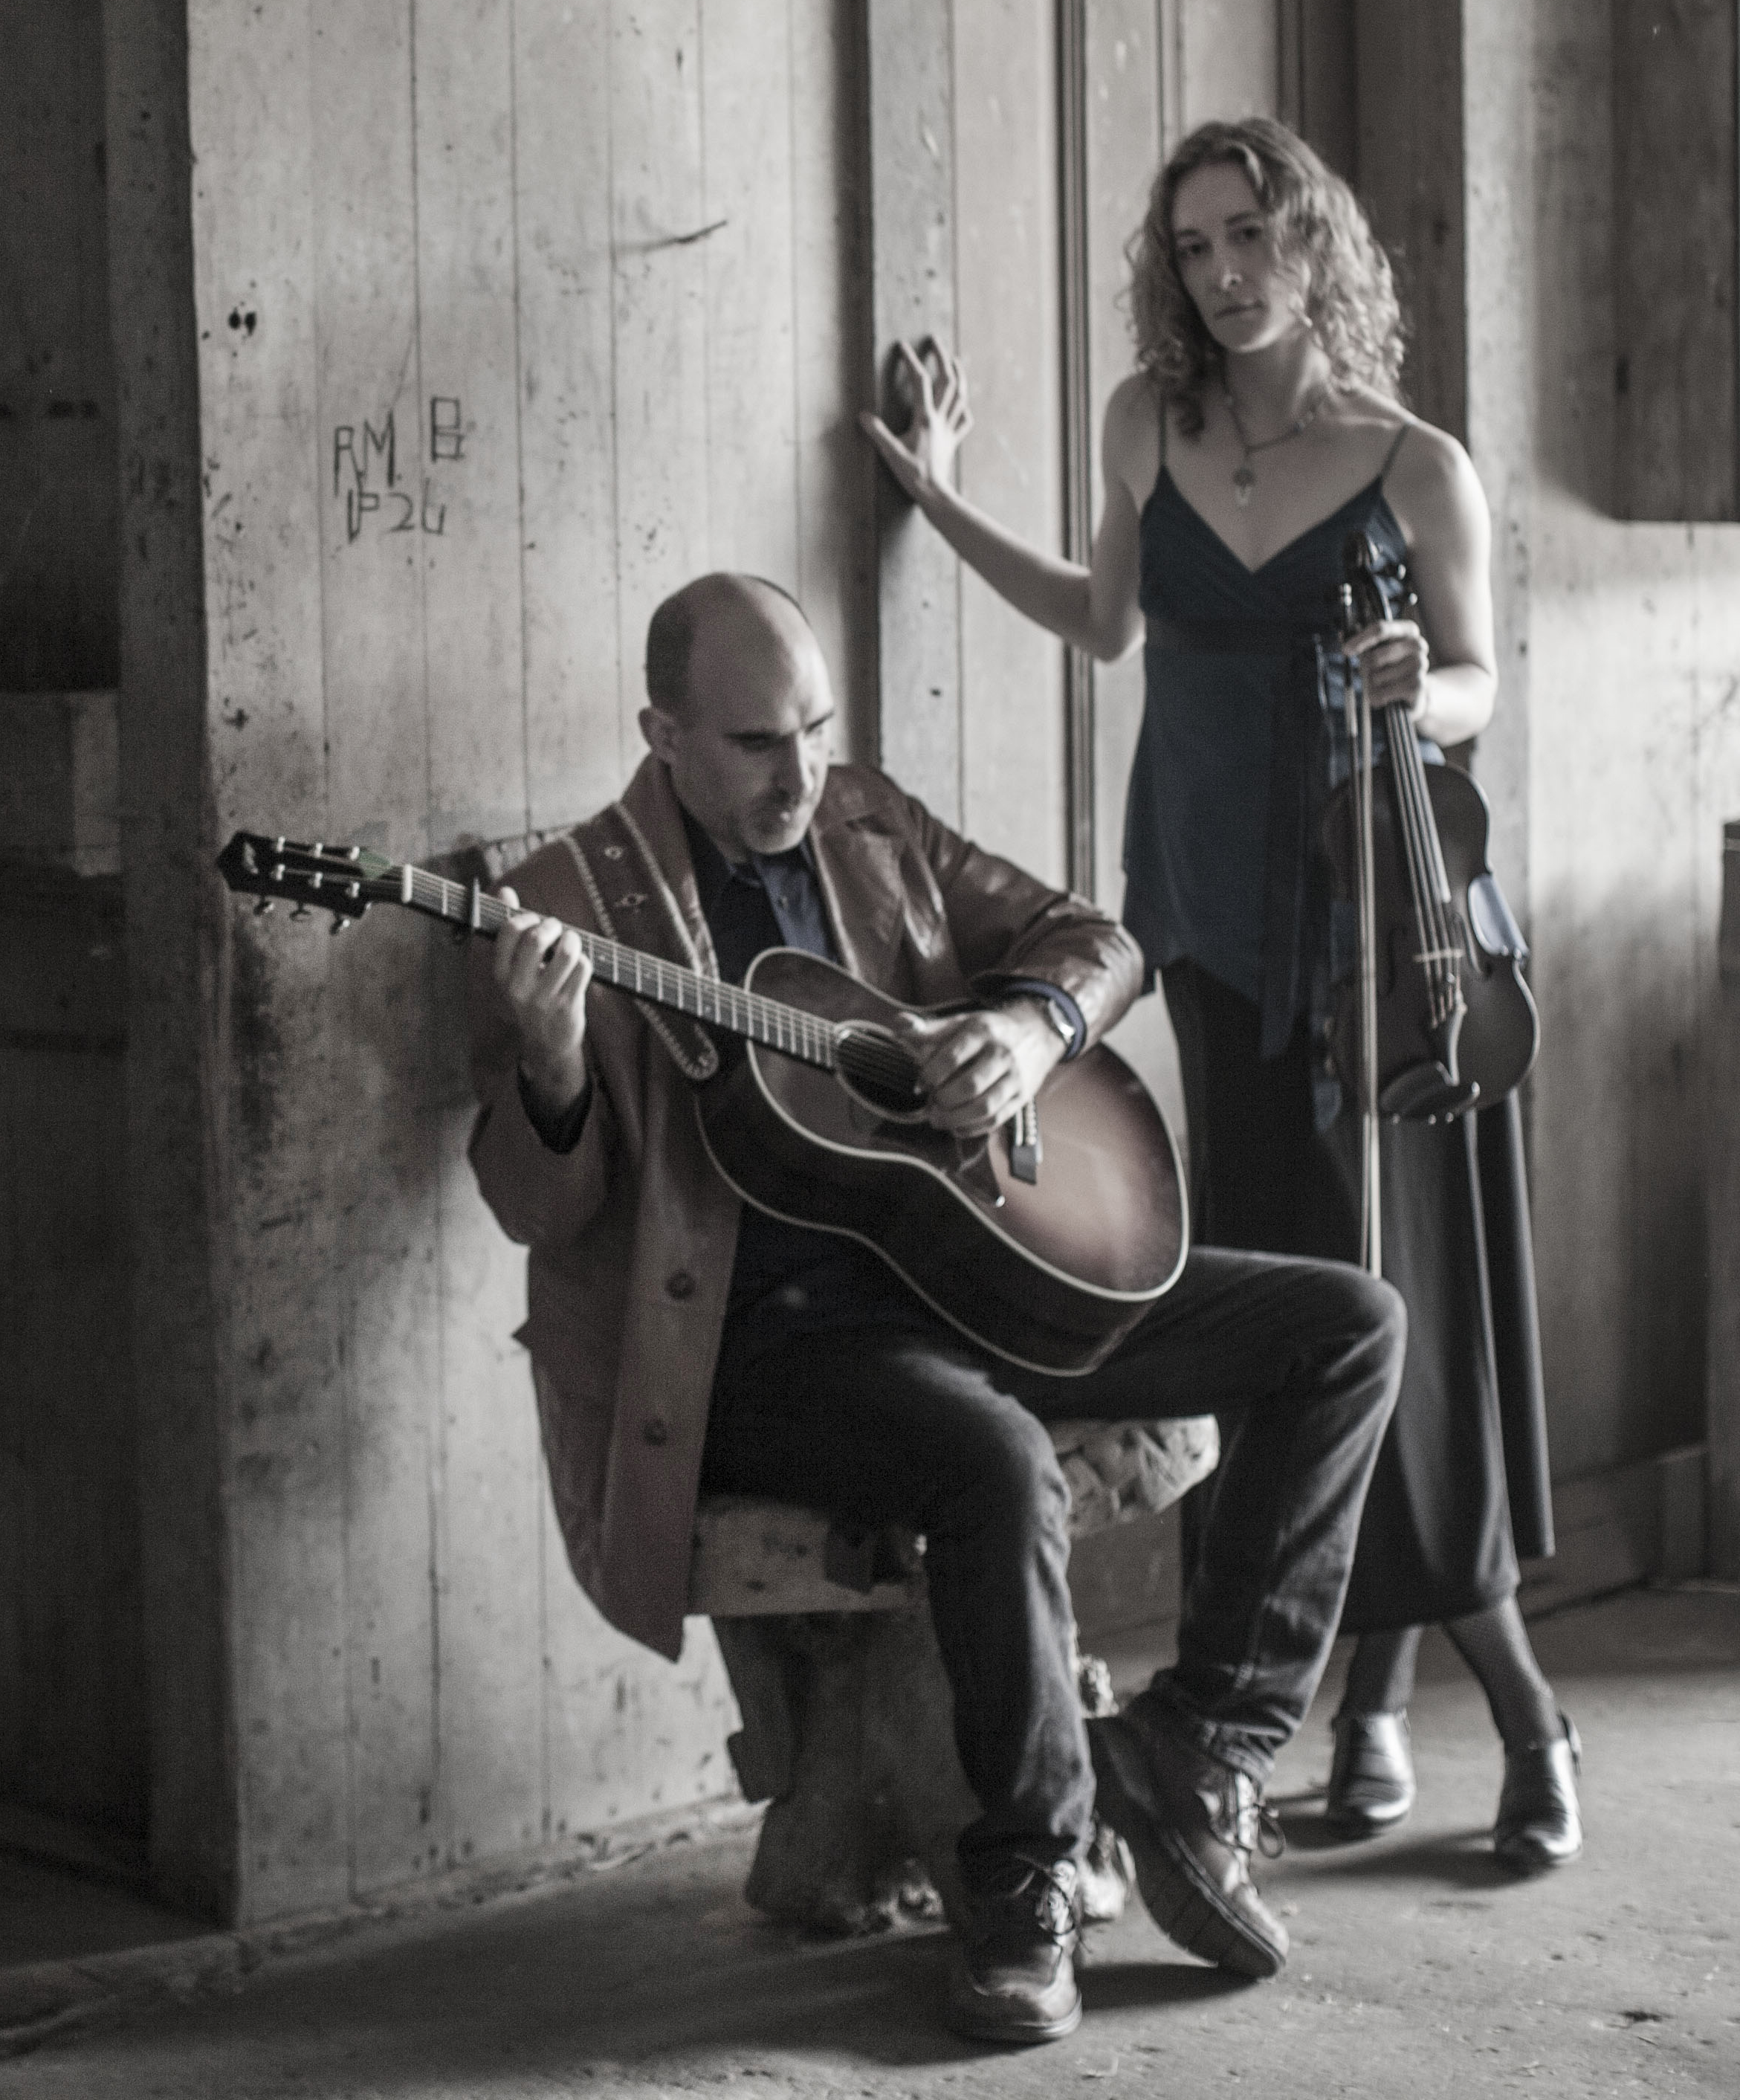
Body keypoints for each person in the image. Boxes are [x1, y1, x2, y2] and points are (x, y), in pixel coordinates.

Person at [467, 572, 1406, 2049]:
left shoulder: (870, 823)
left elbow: (1099, 940)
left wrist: (1028, 1034)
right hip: (765, 1343)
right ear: (661, 731)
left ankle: (1195, 1748)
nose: (801, 774)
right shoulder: (573, 903)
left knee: (1346, 1324)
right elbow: (539, 1210)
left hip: (977, 1267)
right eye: (759, 743)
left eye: (819, 732)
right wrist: (551, 1066)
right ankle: (1030, 1872)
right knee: (994, 1461)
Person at [863, 114, 1580, 1872]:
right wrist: (935, 496)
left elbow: (1483, 678)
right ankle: (1368, 1718)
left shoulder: (1417, 463)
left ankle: (1518, 1710)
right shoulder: (1148, 423)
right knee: (1290, 1347)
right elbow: (1103, 622)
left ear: (1316, 241)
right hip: (1204, 944)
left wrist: (1430, 682)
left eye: (1254, 232)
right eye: (1194, 245)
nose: (1226, 269)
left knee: (1399, 1335)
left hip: (1381, 960)